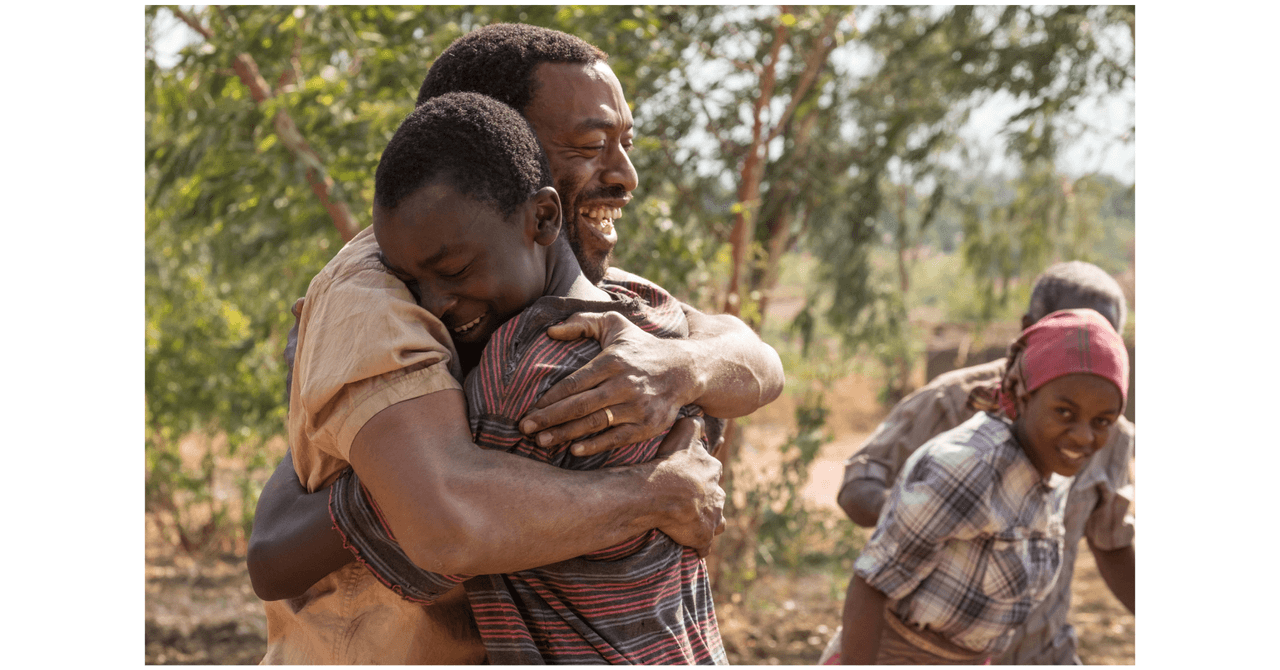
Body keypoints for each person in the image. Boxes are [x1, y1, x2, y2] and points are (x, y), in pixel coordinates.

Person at [249, 24, 782, 665]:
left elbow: (757, 359)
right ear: (492, 142)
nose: (626, 175)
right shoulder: (382, 294)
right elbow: (446, 526)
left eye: (625, 144)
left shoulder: (591, 300)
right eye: (590, 145)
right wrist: (658, 494)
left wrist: (683, 366)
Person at [327, 91, 726, 663]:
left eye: (454, 271)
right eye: (411, 285)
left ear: (543, 217)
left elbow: (430, 544)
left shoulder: (516, 382)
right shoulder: (653, 312)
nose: (433, 305)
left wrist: (340, 435)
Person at [827, 261, 1134, 664]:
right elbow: (863, 511)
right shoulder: (958, 419)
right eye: (1068, 330)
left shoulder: (1086, 448)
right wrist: (924, 516)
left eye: (1102, 341)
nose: (1082, 433)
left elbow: (1111, 544)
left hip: (1032, 650)